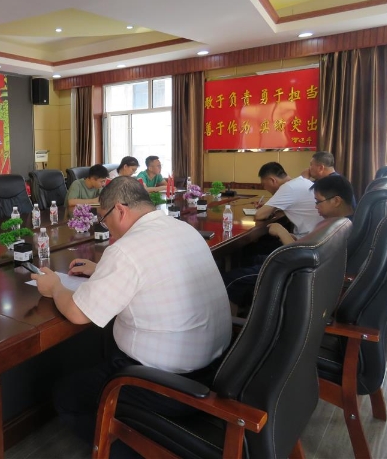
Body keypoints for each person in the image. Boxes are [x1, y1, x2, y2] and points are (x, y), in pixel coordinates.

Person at [32, 177, 231, 444]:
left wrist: (55, 287)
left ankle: (126, 446)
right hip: (216, 371)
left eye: (105, 220)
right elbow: (156, 271)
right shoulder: (183, 229)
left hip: (168, 386)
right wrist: (101, 271)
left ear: (120, 210)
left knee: (66, 394)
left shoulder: (126, 250)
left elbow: (78, 314)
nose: (108, 229)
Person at [226, 171, 352, 315]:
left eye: (318, 202)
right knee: (250, 260)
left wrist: (282, 233)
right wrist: (296, 239)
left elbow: (301, 257)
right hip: (305, 270)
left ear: (336, 201)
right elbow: (313, 248)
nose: (315, 206)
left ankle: (231, 324)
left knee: (231, 279)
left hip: (296, 274)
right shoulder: (340, 222)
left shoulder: (335, 226)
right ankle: (246, 310)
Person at [254, 161, 322, 239]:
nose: (265, 188)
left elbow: (259, 215)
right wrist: (269, 207)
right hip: (320, 235)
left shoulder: (287, 187)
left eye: (264, 185)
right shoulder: (301, 181)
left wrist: (267, 209)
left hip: (309, 239)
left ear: (272, 180)